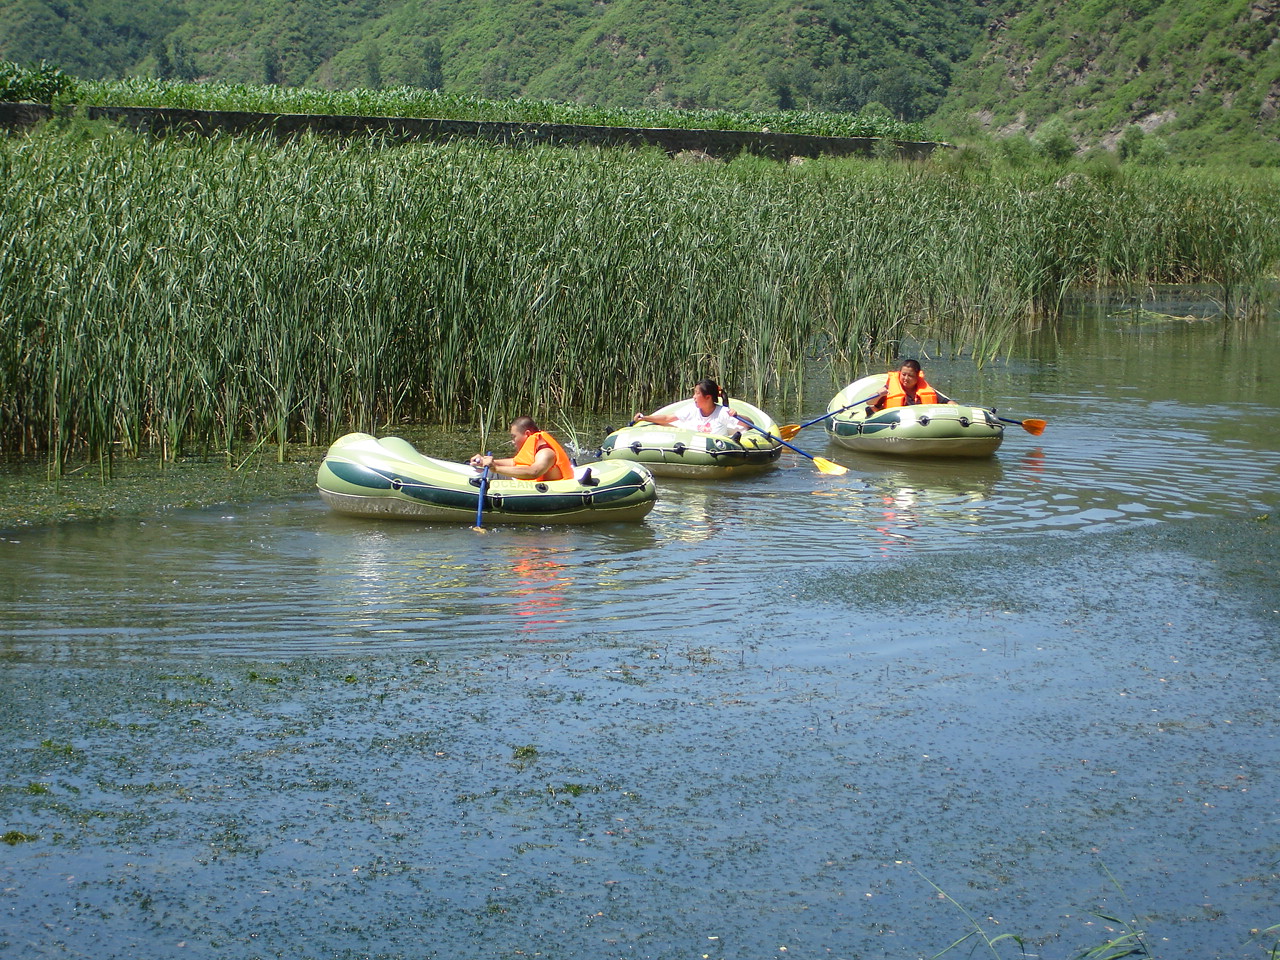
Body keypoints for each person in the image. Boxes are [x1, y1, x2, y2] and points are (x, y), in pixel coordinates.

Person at [469, 416, 572, 482]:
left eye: (514, 437)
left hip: (549, 494)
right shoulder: (535, 447)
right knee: (490, 473)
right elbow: (515, 462)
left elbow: (534, 472)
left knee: (492, 474)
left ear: (527, 434)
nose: (512, 441)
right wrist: (486, 461)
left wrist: (496, 469)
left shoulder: (546, 453)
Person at [634, 379, 744, 435]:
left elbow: (750, 424)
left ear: (708, 397)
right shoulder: (691, 409)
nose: (694, 397)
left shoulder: (723, 413)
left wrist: (736, 415)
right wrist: (644, 418)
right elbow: (667, 419)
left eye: (697, 393)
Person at [865, 359, 956, 411]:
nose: (906, 378)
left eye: (910, 376)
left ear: (917, 376)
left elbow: (949, 403)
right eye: (903, 374)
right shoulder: (889, 389)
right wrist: (879, 394)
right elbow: (869, 402)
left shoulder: (926, 390)